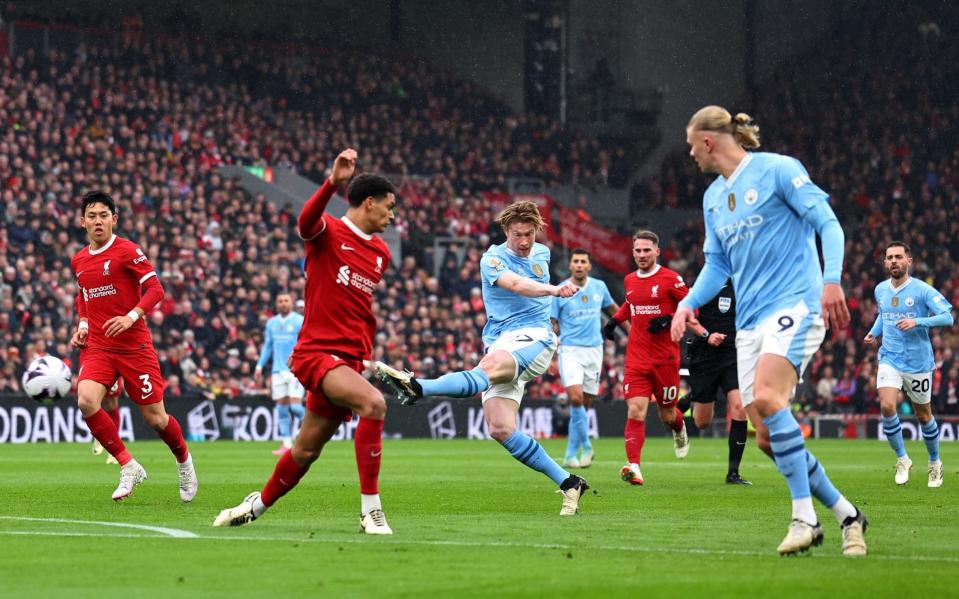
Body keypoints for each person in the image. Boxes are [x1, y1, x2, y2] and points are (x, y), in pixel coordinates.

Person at [671, 106, 867, 556]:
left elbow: (827, 223)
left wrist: (832, 279)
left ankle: (804, 519)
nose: (688, 154)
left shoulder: (778, 170)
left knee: (766, 397)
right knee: (766, 436)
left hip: (795, 304)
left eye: (689, 145)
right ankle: (847, 515)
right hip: (750, 323)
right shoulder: (713, 199)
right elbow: (718, 264)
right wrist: (687, 302)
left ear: (707, 141)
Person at [214, 149, 397, 535]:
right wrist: (332, 183)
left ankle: (254, 507)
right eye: (389, 206)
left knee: (305, 451)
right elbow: (305, 222)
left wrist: (365, 357)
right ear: (369, 202)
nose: (392, 215)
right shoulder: (329, 232)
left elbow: (356, 310)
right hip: (316, 354)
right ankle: (371, 511)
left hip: (347, 361)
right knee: (374, 404)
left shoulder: (380, 253)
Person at [374, 200, 590, 516]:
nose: (525, 242)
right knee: (500, 428)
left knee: (486, 369)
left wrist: (553, 297)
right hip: (502, 341)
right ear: (506, 231)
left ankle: (418, 387)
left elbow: (535, 288)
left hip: (537, 339)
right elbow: (515, 285)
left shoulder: (542, 253)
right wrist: (553, 290)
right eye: (518, 235)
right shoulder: (492, 259)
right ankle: (569, 482)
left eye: (530, 234)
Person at [70, 191, 197, 502]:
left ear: (114, 219)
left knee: (156, 419)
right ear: (83, 221)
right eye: (92, 215)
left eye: (103, 215)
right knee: (86, 400)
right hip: (100, 346)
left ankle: (184, 462)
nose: (98, 221)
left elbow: (155, 289)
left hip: (133, 346)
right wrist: (83, 325)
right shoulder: (79, 260)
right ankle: (129, 466)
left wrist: (131, 316)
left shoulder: (128, 251)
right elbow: (84, 296)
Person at [602, 230, 691, 487]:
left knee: (667, 414)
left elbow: (691, 306)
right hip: (637, 358)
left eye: (646, 250)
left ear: (657, 251)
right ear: (633, 252)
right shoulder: (630, 280)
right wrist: (615, 320)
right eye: (638, 251)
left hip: (665, 359)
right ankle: (634, 466)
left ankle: (679, 428)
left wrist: (669, 319)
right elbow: (631, 304)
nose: (642, 255)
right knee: (636, 410)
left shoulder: (671, 279)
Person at [864, 241, 954, 487]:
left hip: (918, 364)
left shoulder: (922, 290)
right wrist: (874, 332)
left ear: (908, 261)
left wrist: (918, 322)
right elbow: (884, 314)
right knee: (886, 406)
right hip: (889, 358)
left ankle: (935, 462)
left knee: (924, 415)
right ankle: (902, 458)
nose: (893, 261)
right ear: (885, 262)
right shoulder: (881, 289)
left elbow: (948, 317)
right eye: (889, 257)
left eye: (898, 257)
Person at [550, 248, 617, 469]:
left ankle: (570, 454)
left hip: (594, 351)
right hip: (570, 350)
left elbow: (614, 310)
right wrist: (550, 352)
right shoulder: (560, 290)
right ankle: (587, 446)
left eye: (583, 261)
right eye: (575, 261)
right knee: (576, 399)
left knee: (584, 405)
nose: (579, 265)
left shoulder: (599, 287)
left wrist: (633, 331)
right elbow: (552, 323)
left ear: (589, 266)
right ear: (570, 265)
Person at [683, 280, 751, 485]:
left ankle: (733, 473)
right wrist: (707, 335)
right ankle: (694, 396)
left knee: (739, 407)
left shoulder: (743, 281)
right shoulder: (703, 283)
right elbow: (685, 315)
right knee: (702, 422)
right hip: (705, 355)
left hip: (734, 355)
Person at [255, 292, 306, 455]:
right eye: (280, 301)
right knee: (282, 410)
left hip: (295, 370)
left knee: (296, 407)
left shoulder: (299, 321)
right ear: (276, 304)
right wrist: (259, 366)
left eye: (286, 301)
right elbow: (268, 346)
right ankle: (286, 444)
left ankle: (312, 435)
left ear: (291, 303)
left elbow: (305, 343)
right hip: (277, 371)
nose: (283, 303)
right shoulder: (271, 323)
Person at [91, 378, 123, 465]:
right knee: (96, 400)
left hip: (115, 366)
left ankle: (113, 451)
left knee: (111, 404)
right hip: (95, 366)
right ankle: (100, 435)